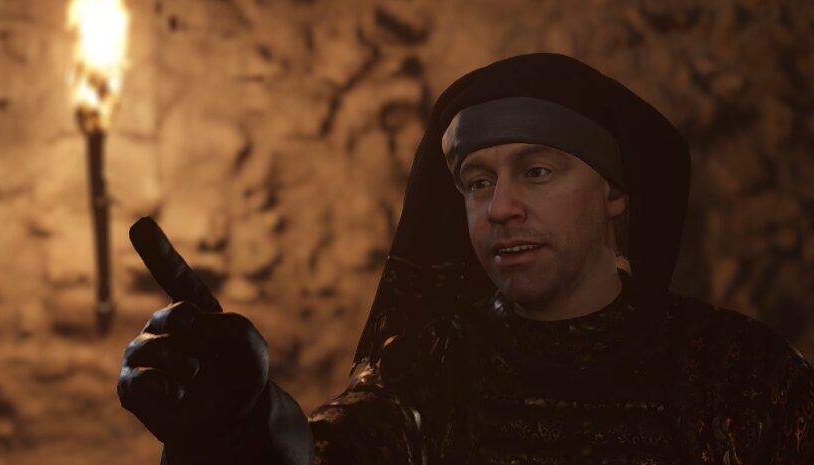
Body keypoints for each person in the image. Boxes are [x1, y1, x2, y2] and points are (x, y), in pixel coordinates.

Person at [117, 53, 814, 465]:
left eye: (536, 172)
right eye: (478, 182)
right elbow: (332, 451)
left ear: (614, 193)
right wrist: (243, 425)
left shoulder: (743, 376)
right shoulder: (429, 369)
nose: (500, 207)